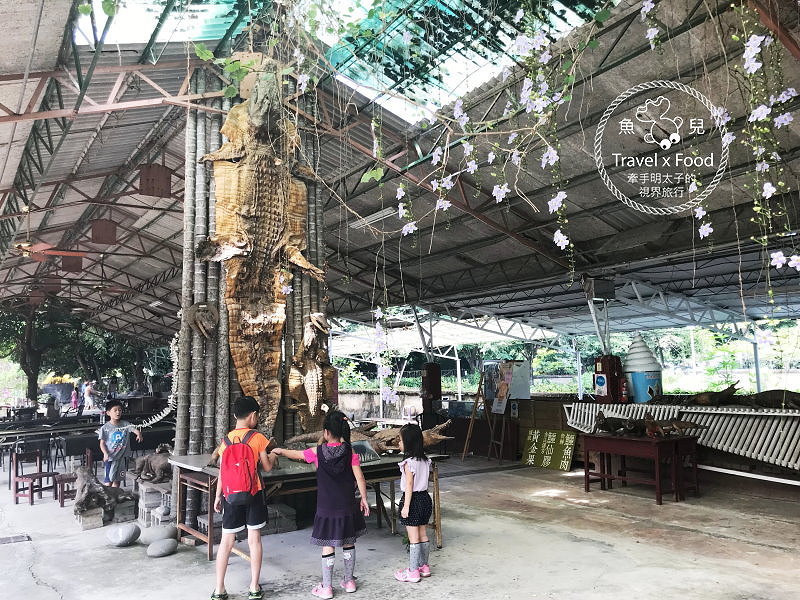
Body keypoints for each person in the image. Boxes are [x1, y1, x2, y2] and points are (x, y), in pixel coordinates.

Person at [273, 410, 369, 599]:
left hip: (326, 508)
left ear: (326, 432)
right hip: (347, 505)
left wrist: (280, 451)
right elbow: (360, 477)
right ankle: (349, 582)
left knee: (328, 545)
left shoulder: (318, 452)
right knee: (348, 541)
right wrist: (364, 498)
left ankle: (327, 587)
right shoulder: (350, 451)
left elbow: (298, 454)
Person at [212, 396, 277, 600]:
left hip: (230, 496)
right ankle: (254, 587)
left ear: (234, 415)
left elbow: (223, 471)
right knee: (254, 540)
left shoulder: (226, 440)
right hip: (254, 494)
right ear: (253, 416)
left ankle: (219, 589)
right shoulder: (258, 438)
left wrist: (218, 496)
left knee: (226, 541)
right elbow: (266, 467)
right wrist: (273, 454)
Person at [393, 423, 433, 583]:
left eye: (400, 441)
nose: (398, 443)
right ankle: (424, 567)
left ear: (408, 443)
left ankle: (413, 571)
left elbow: (409, 485)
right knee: (423, 534)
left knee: (413, 538)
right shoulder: (425, 460)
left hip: (413, 500)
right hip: (425, 499)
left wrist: (406, 506)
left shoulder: (409, 463)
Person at [97, 399, 142, 488]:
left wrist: (139, 433)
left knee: (117, 481)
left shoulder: (125, 424)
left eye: (120, 410)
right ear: (108, 413)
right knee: (109, 481)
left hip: (122, 457)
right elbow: (102, 443)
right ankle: (109, 498)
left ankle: (115, 496)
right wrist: (105, 453)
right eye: (115, 410)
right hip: (110, 458)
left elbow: (134, 429)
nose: (118, 412)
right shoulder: (105, 428)